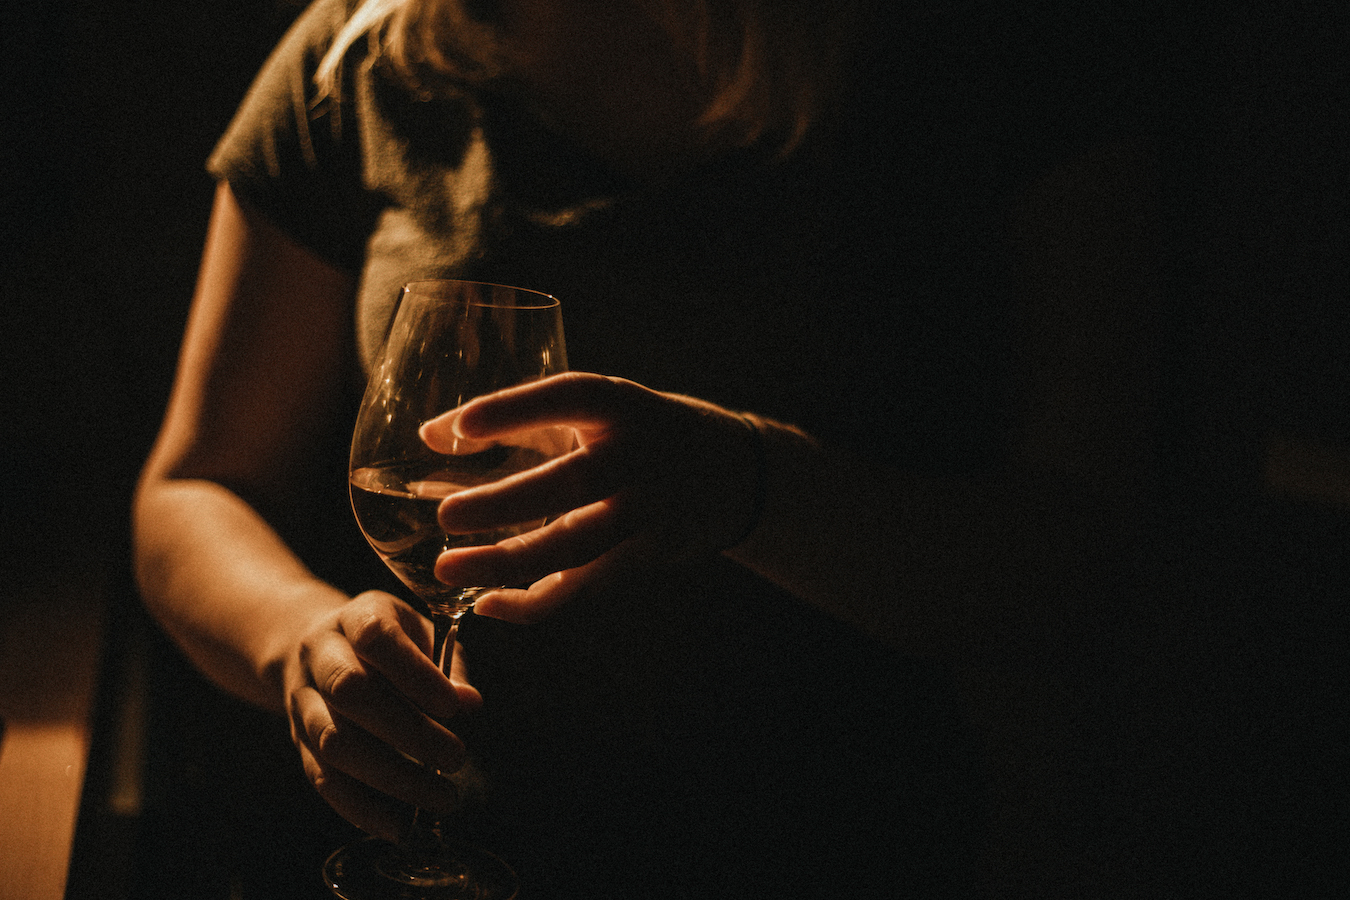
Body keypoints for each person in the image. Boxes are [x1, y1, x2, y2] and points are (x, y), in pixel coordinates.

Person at [133, 0, 1169, 896]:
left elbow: (1083, 560)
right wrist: (298, 639)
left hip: (828, 859)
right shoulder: (368, 48)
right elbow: (195, 487)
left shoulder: (987, 52)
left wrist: (745, 486)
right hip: (423, 853)